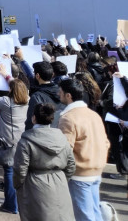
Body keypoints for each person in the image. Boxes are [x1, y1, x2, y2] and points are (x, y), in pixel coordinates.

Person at [57, 78, 110, 221]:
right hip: (96, 169)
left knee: (84, 216)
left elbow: (65, 150)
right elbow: (106, 142)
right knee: (94, 213)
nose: (58, 93)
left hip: (79, 173)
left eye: (60, 91)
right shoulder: (93, 115)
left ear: (68, 95)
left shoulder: (68, 118)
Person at [13, 103, 76, 221]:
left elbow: (20, 169)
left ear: (33, 118)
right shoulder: (62, 138)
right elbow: (71, 165)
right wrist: (62, 179)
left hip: (35, 183)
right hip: (59, 181)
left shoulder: (26, 141)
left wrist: (18, 185)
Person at [25, 61, 61, 130]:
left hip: (40, 134)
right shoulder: (61, 92)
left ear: (37, 76)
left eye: (34, 73)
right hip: (58, 132)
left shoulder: (36, 96)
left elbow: (30, 122)